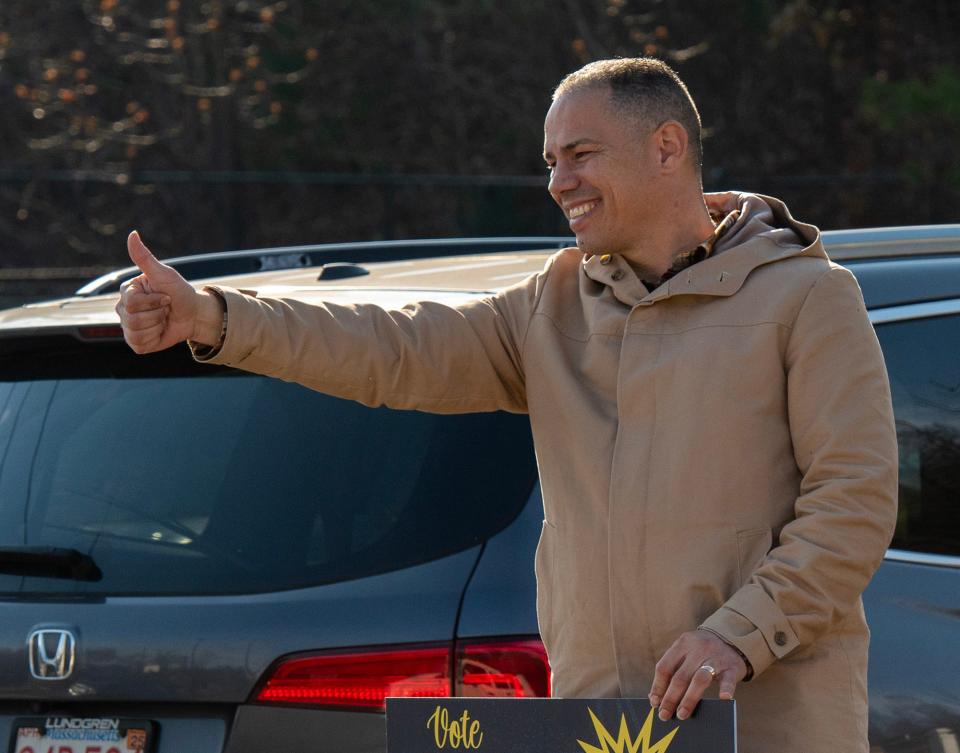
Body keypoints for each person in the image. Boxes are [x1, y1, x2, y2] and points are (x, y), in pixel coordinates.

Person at [117, 58, 898, 753]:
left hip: (770, 727)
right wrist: (217, 318)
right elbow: (391, 346)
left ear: (667, 147)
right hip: (597, 729)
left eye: (581, 154)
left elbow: (853, 504)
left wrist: (739, 635)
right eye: (552, 161)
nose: (560, 182)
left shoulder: (809, 297)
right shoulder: (549, 306)